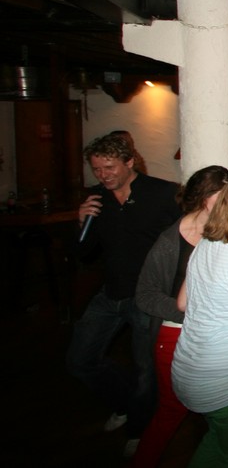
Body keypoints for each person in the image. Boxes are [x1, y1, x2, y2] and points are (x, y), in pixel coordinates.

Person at [133, 166, 228, 468]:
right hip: (226, 380)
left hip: (186, 372)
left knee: (217, 440)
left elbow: (182, 302)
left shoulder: (205, 243)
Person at [67, 134, 182, 458]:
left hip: (147, 295)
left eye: (109, 167)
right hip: (111, 292)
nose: (103, 175)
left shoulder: (162, 193)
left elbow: (185, 239)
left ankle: (139, 428)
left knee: (146, 369)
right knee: (80, 360)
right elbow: (84, 253)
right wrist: (81, 222)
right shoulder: (96, 198)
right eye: (97, 169)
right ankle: (126, 401)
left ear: (130, 162)